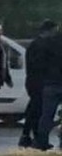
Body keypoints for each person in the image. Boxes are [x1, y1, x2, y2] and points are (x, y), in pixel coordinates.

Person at [22, 20, 57, 148]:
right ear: (50, 30)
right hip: (38, 81)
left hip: (34, 80)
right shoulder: (41, 45)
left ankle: (28, 135)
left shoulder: (36, 44)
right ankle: (33, 137)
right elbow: (40, 64)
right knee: (37, 110)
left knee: (34, 109)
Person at [35, 20, 62, 151]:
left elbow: (40, 64)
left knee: (46, 115)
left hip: (50, 83)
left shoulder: (47, 43)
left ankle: (42, 142)